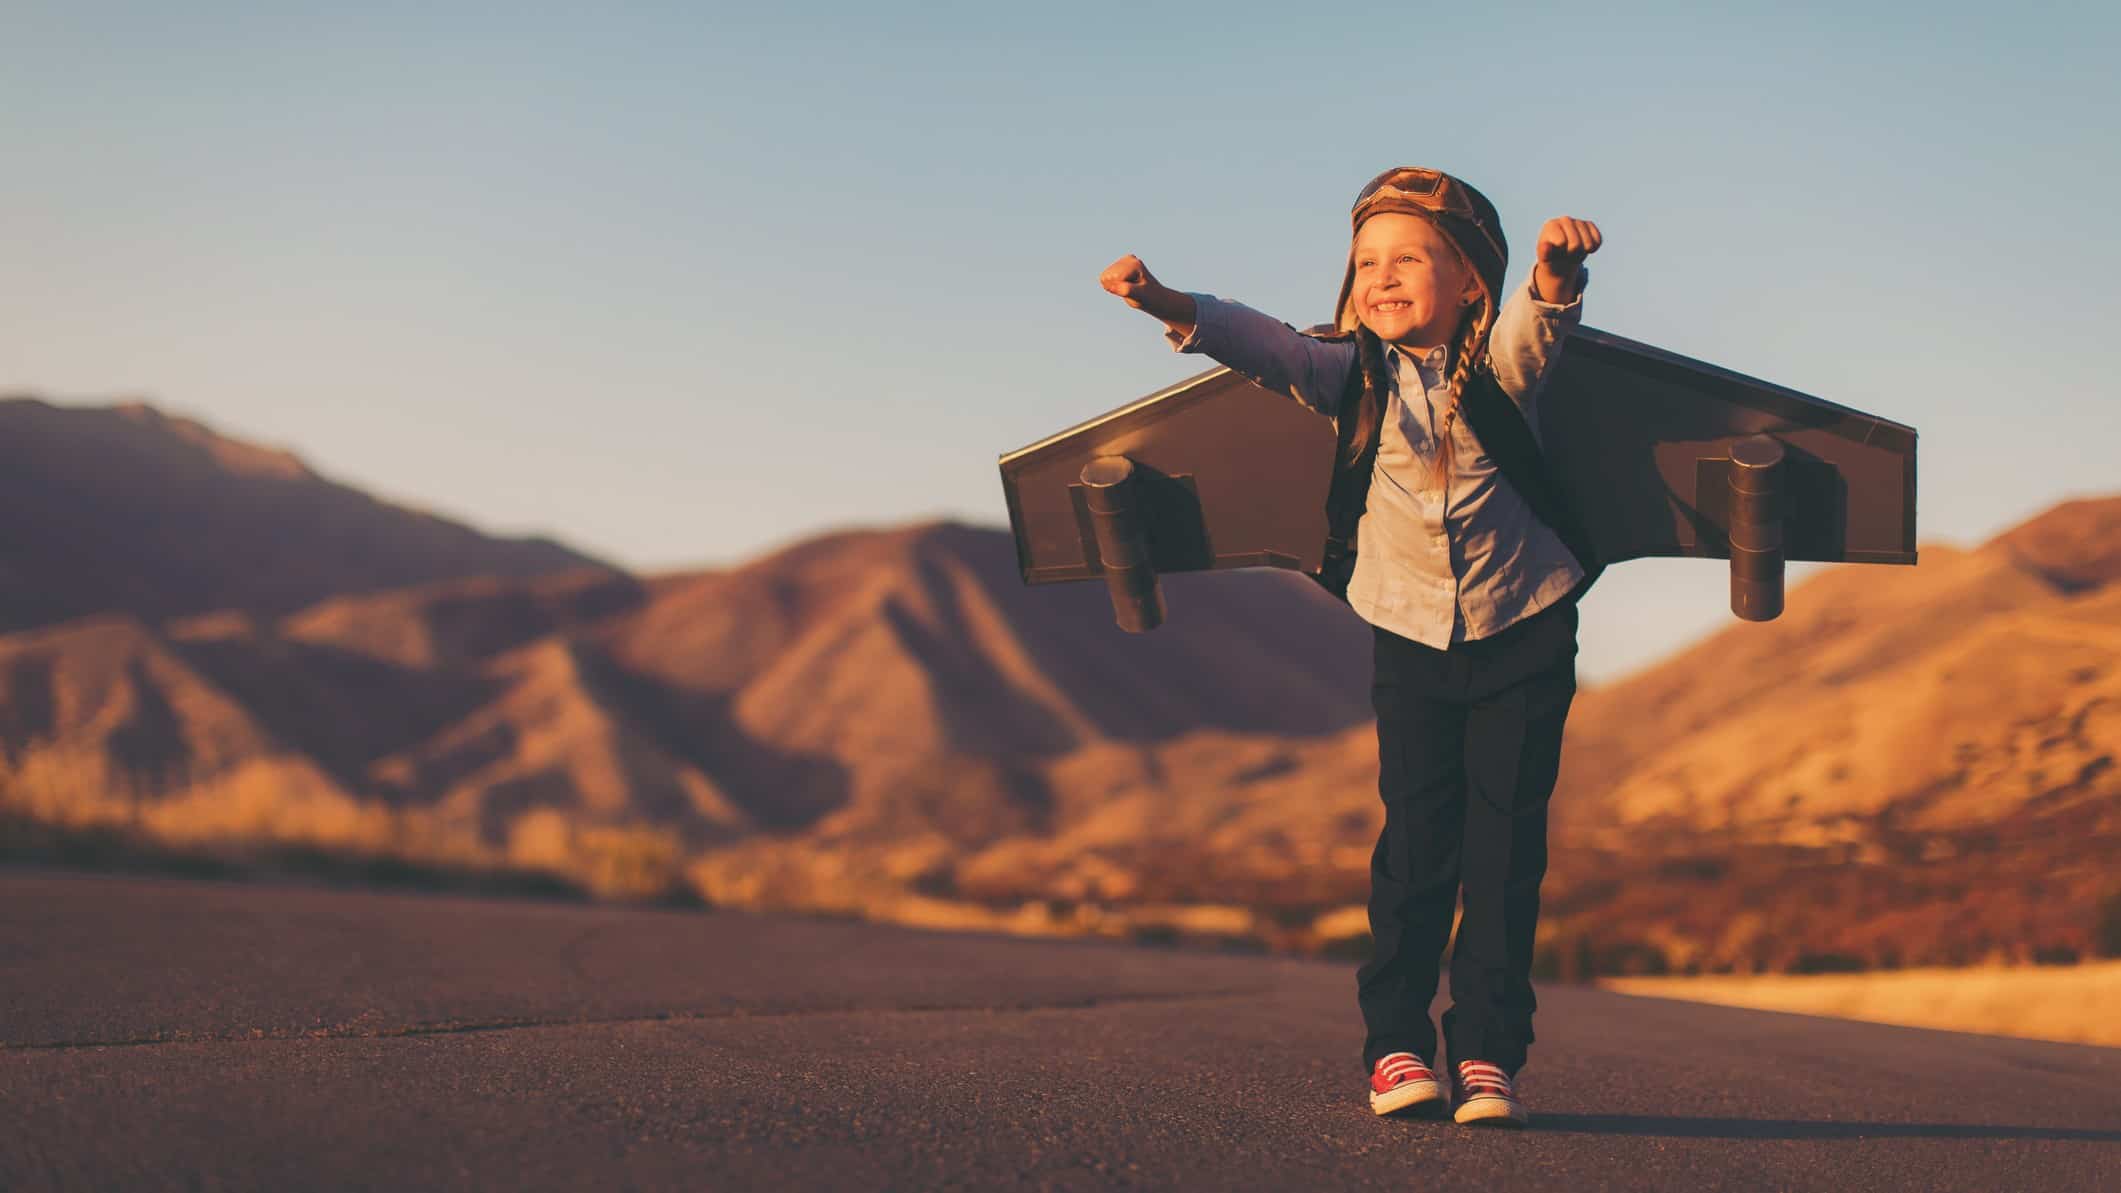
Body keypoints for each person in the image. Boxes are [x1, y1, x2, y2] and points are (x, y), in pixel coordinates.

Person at [1098, 166, 1602, 1128]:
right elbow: (1262, 344)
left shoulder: (1499, 361)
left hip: (1525, 625)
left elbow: (1541, 330)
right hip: (1408, 630)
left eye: (1409, 258)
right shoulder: (1347, 374)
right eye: (1365, 261)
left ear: (1468, 284)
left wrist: (1552, 273)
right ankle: (1397, 1046)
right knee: (1414, 847)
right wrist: (1161, 301)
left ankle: (1490, 1055)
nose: (1381, 276)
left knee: (1502, 853)